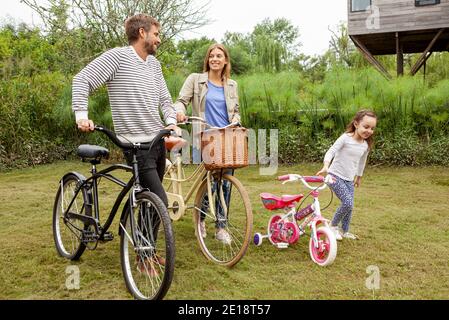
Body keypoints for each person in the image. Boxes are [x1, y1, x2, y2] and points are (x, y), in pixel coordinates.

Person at [72, 14, 179, 276]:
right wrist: (81, 116)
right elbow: (81, 79)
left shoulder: (154, 65)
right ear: (142, 33)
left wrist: (172, 121)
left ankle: (147, 253)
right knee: (159, 200)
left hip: (157, 142)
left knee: (147, 201)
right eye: (156, 33)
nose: (159, 39)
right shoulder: (117, 57)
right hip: (134, 144)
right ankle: (143, 259)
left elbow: (165, 100)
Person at [174, 43, 240, 245]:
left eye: (219, 56)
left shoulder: (232, 85)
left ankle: (221, 226)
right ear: (208, 60)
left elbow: (235, 110)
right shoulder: (196, 80)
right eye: (212, 56)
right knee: (209, 183)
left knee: (226, 183)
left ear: (225, 60)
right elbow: (181, 100)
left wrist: (237, 119)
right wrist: (178, 111)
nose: (215, 59)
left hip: (227, 138)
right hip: (204, 137)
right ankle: (201, 220)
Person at [316, 110, 377, 241]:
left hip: (349, 180)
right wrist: (326, 165)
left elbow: (362, 162)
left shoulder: (365, 145)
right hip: (334, 176)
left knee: (350, 207)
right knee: (348, 203)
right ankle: (332, 227)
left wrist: (359, 177)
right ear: (356, 124)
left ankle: (345, 231)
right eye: (366, 127)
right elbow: (331, 151)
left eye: (372, 128)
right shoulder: (345, 138)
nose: (369, 131)